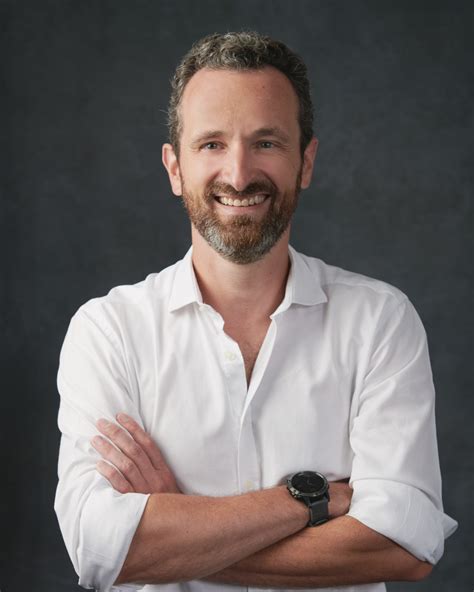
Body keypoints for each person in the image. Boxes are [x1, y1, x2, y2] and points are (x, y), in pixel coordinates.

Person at [55, 31, 457, 592]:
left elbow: (404, 545)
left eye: (266, 142)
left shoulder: (379, 322)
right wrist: (309, 500)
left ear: (305, 162)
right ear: (174, 168)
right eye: (211, 144)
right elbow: (97, 545)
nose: (239, 174)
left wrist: (177, 526)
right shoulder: (108, 331)